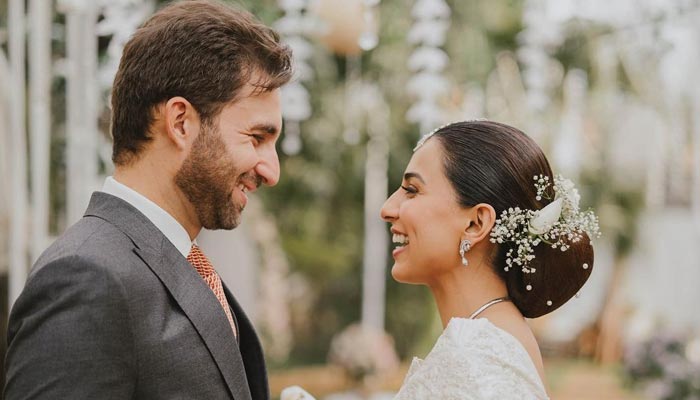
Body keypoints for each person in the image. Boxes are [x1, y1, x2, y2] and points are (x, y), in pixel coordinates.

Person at [4, 1, 292, 399]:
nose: (271, 171)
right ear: (180, 122)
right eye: (257, 138)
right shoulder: (87, 278)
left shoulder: (175, 263)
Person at [381, 120, 600, 399]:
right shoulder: (492, 341)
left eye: (412, 190)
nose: (387, 208)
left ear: (476, 223)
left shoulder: (477, 356)